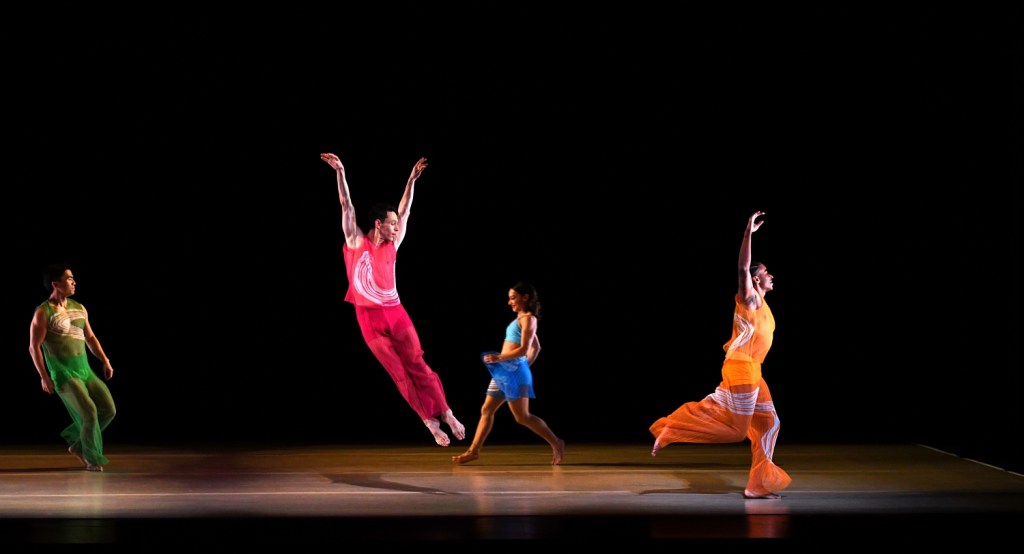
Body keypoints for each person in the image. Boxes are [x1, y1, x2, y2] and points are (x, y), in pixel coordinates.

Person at [320, 152, 465, 447]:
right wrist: (340, 172)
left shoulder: (393, 244)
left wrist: (412, 180)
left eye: (397, 224)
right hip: (369, 320)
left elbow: (406, 209)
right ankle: (430, 423)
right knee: (398, 373)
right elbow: (346, 205)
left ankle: (447, 413)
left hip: (396, 313)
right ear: (378, 224)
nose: (397, 227)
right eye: (392, 223)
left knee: (418, 364)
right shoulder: (356, 242)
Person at [648, 211, 791, 499]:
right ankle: (672, 427)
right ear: (755, 279)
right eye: (766, 272)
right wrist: (748, 233)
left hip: (753, 369)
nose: (771, 275)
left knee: (769, 423)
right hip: (741, 367)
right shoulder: (749, 300)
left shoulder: (763, 305)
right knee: (736, 431)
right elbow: (742, 268)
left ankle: (757, 484)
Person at [452, 282, 564, 465]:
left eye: (513, 298)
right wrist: (519, 365)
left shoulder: (529, 319)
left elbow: (525, 349)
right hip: (504, 371)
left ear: (525, 297)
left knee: (522, 417)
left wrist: (504, 360)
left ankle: (556, 442)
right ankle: (473, 451)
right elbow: (536, 347)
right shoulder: (520, 319)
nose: (509, 302)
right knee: (486, 409)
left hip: (512, 373)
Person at [28, 263, 116, 472]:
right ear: (55, 284)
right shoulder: (43, 312)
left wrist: (105, 360)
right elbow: (34, 347)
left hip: (85, 370)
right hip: (64, 373)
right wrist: (44, 376)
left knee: (108, 409)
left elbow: (90, 338)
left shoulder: (79, 308)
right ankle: (91, 458)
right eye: (69, 278)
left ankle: (77, 446)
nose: (74, 282)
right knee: (90, 412)